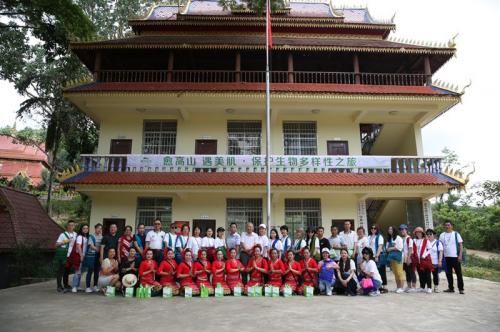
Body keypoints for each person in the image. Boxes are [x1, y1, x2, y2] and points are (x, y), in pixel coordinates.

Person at [439, 221, 465, 294]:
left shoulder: (456, 234)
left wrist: (460, 255)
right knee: (448, 273)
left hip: (455, 257)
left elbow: (460, 245)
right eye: (446, 225)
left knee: (458, 273)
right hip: (446, 257)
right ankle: (451, 288)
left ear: (452, 226)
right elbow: (440, 246)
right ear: (444, 226)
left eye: (449, 225)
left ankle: (461, 289)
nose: (447, 226)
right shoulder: (442, 235)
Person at [54, 220, 77, 292]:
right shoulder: (63, 235)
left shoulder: (76, 234)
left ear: (74, 226)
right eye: (69, 225)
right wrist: (65, 241)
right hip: (63, 255)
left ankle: (66, 284)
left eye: (72, 225)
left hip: (71, 256)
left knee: (67, 271)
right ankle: (59, 286)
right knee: (60, 271)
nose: (71, 226)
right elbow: (56, 245)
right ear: (67, 226)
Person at [69, 224, 89, 293]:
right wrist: (81, 256)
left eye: (87, 228)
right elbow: (78, 246)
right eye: (84, 228)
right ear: (81, 229)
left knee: (80, 272)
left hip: (83, 256)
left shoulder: (86, 237)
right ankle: (74, 286)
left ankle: (77, 286)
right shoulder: (80, 237)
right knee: (77, 271)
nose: (85, 229)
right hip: (79, 256)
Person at [368, 224, 387, 293]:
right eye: (372, 228)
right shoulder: (369, 237)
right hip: (371, 257)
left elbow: (380, 246)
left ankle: (384, 287)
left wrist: (377, 256)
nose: (373, 229)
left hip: (378, 256)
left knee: (381, 271)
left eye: (375, 228)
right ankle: (377, 286)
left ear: (377, 229)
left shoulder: (379, 236)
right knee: (374, 272)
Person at [413, 227, 433, 293]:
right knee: (420, 274)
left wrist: (424, 255)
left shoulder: (426, 240)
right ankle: (422, 286)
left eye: (419, 232)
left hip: (425, 260)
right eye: (417, 232)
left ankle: (429, 287)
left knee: (427, 274)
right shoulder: (414, 240)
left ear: (422, 233)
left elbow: (430, 249)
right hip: (417, 260)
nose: (418, 233)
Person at [386, 226, 405, 293]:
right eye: (389, 229)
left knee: (399, 272)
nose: (389, 230)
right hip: (391, 257)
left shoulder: (398, 238)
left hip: (398, 257)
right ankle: (398, 287)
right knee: (395, 272)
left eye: (391, 229)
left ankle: (402, 288)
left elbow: (400, 247)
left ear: (394, 230)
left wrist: (391, 248)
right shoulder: (389, 238)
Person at [400, 224, 417, 293]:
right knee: (407, 272)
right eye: (401, 230)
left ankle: (414, 287)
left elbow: (410, 249)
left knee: (411, 272)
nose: (402, 231)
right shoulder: (403, 238)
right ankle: (409, 286)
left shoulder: (409, 238)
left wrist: (408, 258)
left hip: (409, 257)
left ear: (406, 230)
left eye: (403, 229)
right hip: (404, 258)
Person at [83, 223, 100, 293]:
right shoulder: (91, 236)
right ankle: (87, 287)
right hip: (91, 256)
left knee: (97, 271)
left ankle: (95, 286)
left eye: (100, 228)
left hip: (98, 256)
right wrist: (98, 250)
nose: (99, 230)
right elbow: (91, 246)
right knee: (90, 271)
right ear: (95, 229)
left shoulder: (102, 237)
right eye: (98, 228)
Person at [426, 228, 444, 293]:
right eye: (427, 234)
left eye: (430, 234)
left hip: (435, 262)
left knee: (435, 275)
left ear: (434, 235)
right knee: (427, 275)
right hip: (427, 262)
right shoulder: (425, 242)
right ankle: (429, 287)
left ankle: (436, 287)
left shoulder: (438, 242)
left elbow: (441, 252)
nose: (429, 235)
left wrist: (440, 261)